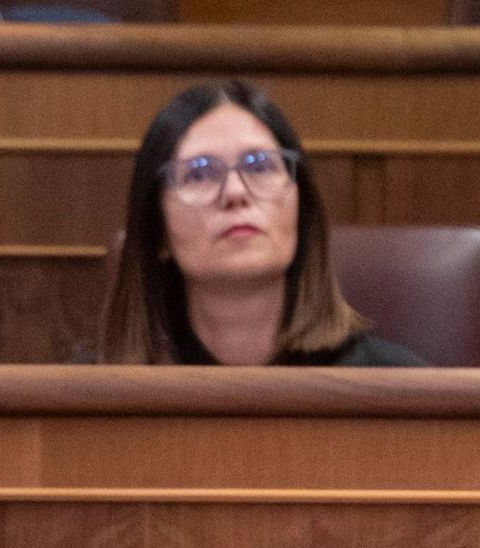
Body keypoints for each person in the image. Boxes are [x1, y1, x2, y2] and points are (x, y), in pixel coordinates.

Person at [98, 80, 426, 366]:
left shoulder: (399, 389)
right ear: (158, 231)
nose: (235, 193)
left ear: (301, 208)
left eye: (259, 167)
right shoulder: (92, 401)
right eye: (199, 173)